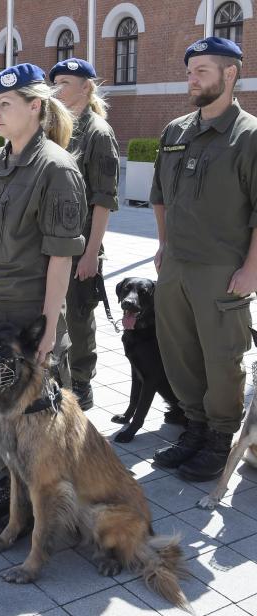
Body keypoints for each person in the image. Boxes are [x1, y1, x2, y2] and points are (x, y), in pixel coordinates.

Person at [0, 63, 87, 525]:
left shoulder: (55, 168)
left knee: (38, 414)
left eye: (5, 105)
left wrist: (50, 328)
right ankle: (12, 483)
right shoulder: (0, 161)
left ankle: (45, 506)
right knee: (1, 404)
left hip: (27, 310)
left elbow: (60, 257)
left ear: (35, 107)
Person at [151, 37, 257, 482]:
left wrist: (252, 268)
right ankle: (193, 427)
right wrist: (162, 245)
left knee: (221, 357)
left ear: (229, 74)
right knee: (179, 352)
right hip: (176, 264)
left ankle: (219, 437)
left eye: (202, 72)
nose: (191, 79)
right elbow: (159, 195)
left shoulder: (249, 136)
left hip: (221, 268)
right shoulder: (176, 130)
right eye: (190, 71)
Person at [49, 58, 120, 410]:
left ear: (86, 87)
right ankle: (58, 377)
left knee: (78, 315)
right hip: (53, 241)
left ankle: (81, 380)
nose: (57, 89)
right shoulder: (56, 126)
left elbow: (104, 199)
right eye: (55, 82)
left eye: (65, 82)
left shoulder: (97, 132)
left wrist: (92, 253)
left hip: (82, 242)